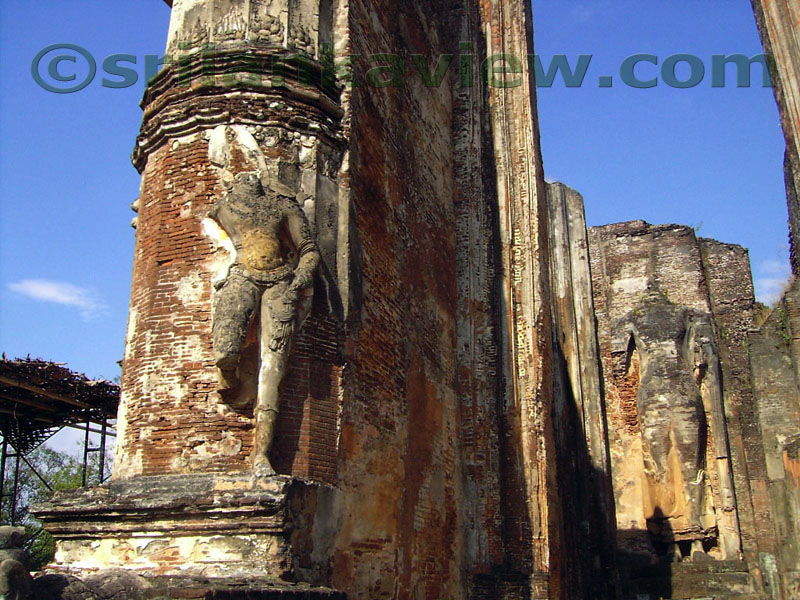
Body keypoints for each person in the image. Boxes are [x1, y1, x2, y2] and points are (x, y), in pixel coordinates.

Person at [209, 171, 319, 474]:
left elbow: (308, 249)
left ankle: (261, 455)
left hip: (280, 282)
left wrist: (303, 274)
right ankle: (229, 374)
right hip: (242, 275)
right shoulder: (224, 206)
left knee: (273, 369)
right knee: (225, 349)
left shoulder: (281, 207)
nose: (250, 178)